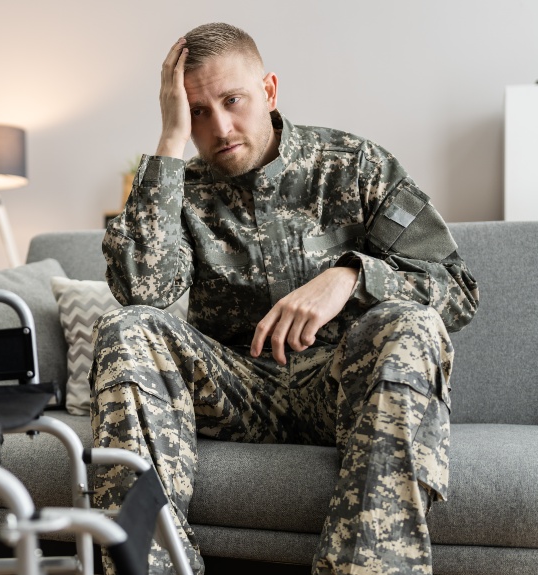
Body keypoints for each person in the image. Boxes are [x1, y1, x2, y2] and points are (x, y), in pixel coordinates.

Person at [92, 22, 480, 575]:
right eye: (198, 111)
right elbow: (143, 293)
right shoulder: (179, 187)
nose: (220, 127)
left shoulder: (355, 165)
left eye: (232, 101)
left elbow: (457, 289)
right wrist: (169, 146)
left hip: (344, 389)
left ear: (269, 91)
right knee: (125, 329)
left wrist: (352, 276)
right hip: (237, 391)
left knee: (411, 325)